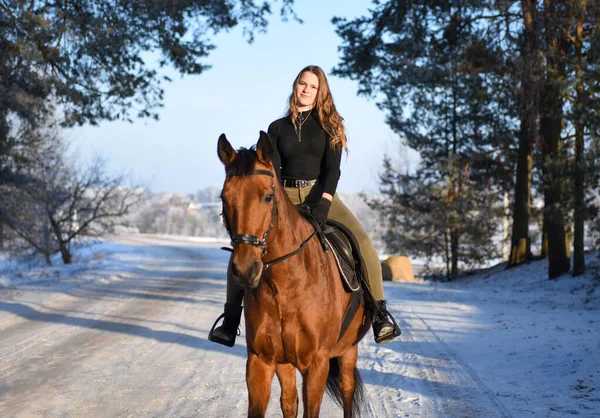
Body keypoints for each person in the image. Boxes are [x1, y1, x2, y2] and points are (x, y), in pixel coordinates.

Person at [209, 65, 400, 347]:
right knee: (244, 248)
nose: (306, 90)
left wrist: (323, 202)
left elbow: (332, 172)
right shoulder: (277, 128)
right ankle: (230, 320)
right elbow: (271, 171)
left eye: (312, 86)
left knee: (363, 244)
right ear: (295, 86)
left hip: (320, 194)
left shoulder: (329, 127)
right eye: (302, 83)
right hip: (283, 196)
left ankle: (381, 313)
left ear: (320, 92)